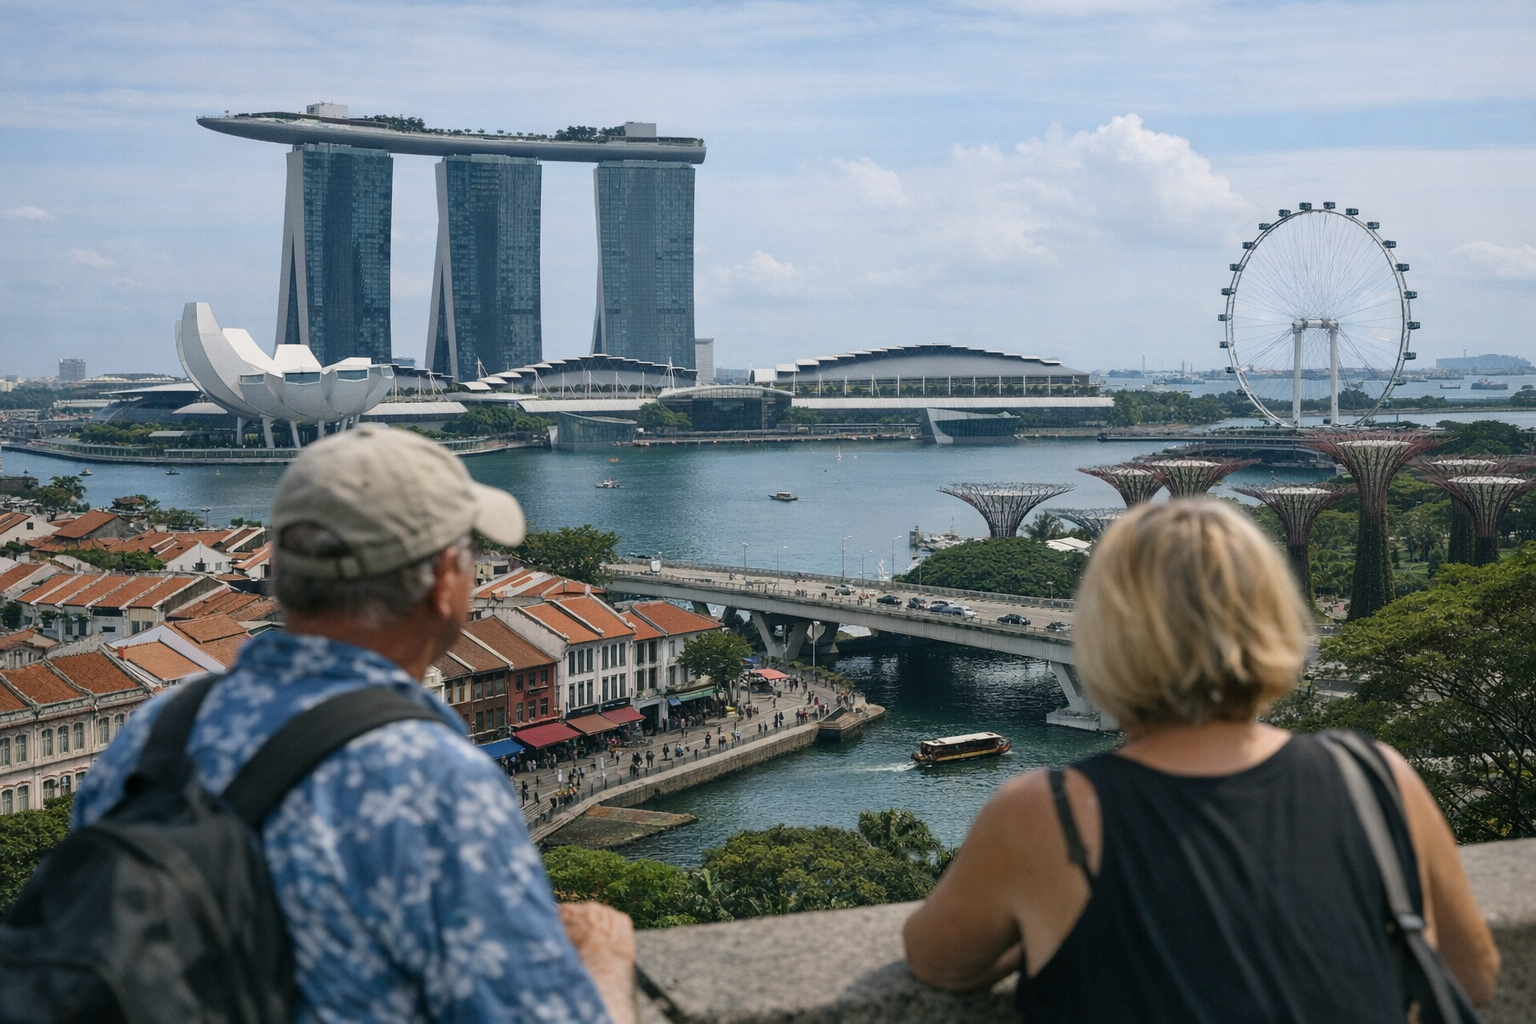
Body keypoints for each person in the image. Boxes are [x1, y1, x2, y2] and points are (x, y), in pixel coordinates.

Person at [72, 425, 636, 1024]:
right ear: (446, 581)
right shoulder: (433, 777)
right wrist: (606, 957)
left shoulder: (161, 726)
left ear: (281, 574)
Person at [904, 499, 1499, 1021]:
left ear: (1105, 633)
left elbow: (940, 961)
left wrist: (1041, 926)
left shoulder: (1048, 812)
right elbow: (1473, 977)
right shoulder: (1376, 777)